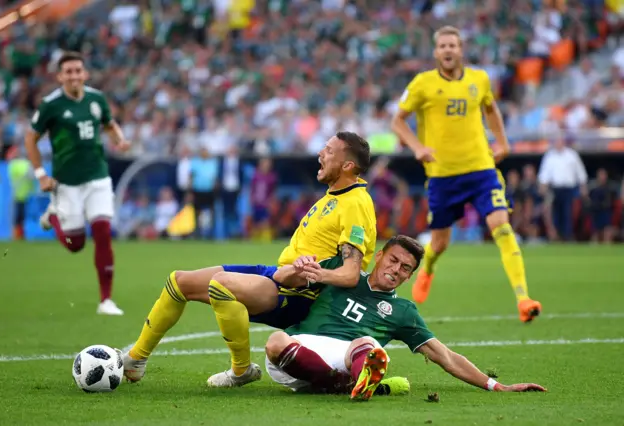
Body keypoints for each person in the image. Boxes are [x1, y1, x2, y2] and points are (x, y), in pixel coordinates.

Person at [122, 132, 379, 388]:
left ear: (348, 165)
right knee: (179, 282)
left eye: (330, 151)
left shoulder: (355, 203)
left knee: (221, 284)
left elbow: (350, 274)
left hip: (300, 293)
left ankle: (241, 370)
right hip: (279, 274)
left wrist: (313, 274)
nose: (320, 154)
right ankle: (135, 360)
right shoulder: (333, 197)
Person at [266, 235, 547, 400]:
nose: (396, 269)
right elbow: (284, 279)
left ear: (410, 276)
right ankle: (344, 385)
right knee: (276, 341)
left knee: (367, 344)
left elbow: (444, 356)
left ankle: (346, 381)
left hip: (348, 358)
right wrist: (298, 267)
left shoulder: (403, 312)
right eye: (393, 260)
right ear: (379, 256)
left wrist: (496, 385)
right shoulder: (340, 271)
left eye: (405, 268)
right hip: (300, 350)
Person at [390, 26, 542, 323]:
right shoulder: (422, 84)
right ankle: (428, 269)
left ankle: (523, 298)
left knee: (502, 227)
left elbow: (491, 110)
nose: (448, 50)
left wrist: (503, 141)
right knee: (440, 243)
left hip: (481, 169)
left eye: (453, 45)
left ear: (461, 50)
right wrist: (417, 147)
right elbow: (397, 121)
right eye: (443, 45)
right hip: (443, 176)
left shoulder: (479, 79)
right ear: (436, 52)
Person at [24, 51, 131, 315]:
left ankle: (106, 300)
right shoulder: (51, 104)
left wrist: (119, 138)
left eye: (77, 70)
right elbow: (30, 138)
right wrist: (41, 174)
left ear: (85, 73)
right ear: (60, 76)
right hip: (67, 182)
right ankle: (54, 216)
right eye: (68, 72)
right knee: (76, 245)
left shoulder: (96, 98)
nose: (74, 76)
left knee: (103, 231)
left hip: (97, 176)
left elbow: (108, 123)